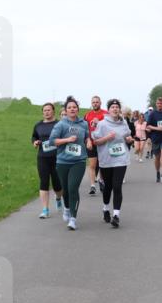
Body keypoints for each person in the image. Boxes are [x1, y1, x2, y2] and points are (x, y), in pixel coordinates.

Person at [48, 97, 89, 230]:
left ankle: (73, 218)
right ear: (66, 110)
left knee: (72, 188)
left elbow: (87, 136)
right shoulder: (61, 124)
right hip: (63, 161)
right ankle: (66, 207)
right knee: (65, 189)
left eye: (74, 107)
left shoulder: (83, 123)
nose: (72, 109)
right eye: (69, 107)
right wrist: (67, 140)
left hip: (79, 160)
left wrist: (89, 141)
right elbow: (52, 141)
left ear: (78, 109)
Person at [91, 99, 133, 227]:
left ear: (119, 110)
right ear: (108, 110)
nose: (115, 109)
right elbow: (96, 142)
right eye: (112, 107)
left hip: (121, 158)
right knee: (108, 186)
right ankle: (105, 208)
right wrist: (107, 138)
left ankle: (116, 215)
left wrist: (129, 139)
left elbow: (126, 136)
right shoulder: (102, 124)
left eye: (117, 107)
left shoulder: (123, 123)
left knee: (117, 186)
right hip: (106, 159)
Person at [31, 103, 63, 218]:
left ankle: (59, 198)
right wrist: (35, 142)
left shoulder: (59, 124)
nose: (47, 112)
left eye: (49, 110)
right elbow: (34, 137)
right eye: (44, 110)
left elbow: (64, 137)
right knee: (43, 182)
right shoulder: (38, 125)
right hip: (42, 157)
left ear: (53, 111)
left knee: (57, 183)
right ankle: (45, 209)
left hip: (57, 157)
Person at [84, 95, 106, 196]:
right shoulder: (87, 115)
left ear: (100, 103)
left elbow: (109, 127)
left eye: (97, 102)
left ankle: (101, 180)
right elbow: (85, 129)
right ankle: (92, 185)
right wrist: (87, 140)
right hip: (91, 143)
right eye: (93, 102)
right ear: (91, 103)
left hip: (103, 143)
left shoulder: (106, 114)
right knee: (92, 165)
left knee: (102, 164)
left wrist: (99, 122)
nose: (95, 104)